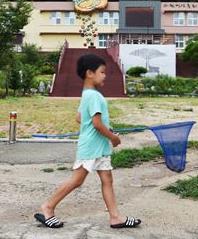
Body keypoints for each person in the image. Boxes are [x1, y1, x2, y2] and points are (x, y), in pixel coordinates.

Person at [35, 53, 141, 229]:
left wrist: (105, 128)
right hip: (92, 146)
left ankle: (115, 217)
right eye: (102, 72)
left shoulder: (87, 94)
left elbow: (79, 118)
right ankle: (48, 207)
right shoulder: (94, 96)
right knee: (77, 181)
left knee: (107, 180)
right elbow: (97, 124)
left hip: (98, 146)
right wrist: (113, 137)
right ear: (90, 73)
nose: (105, 75)